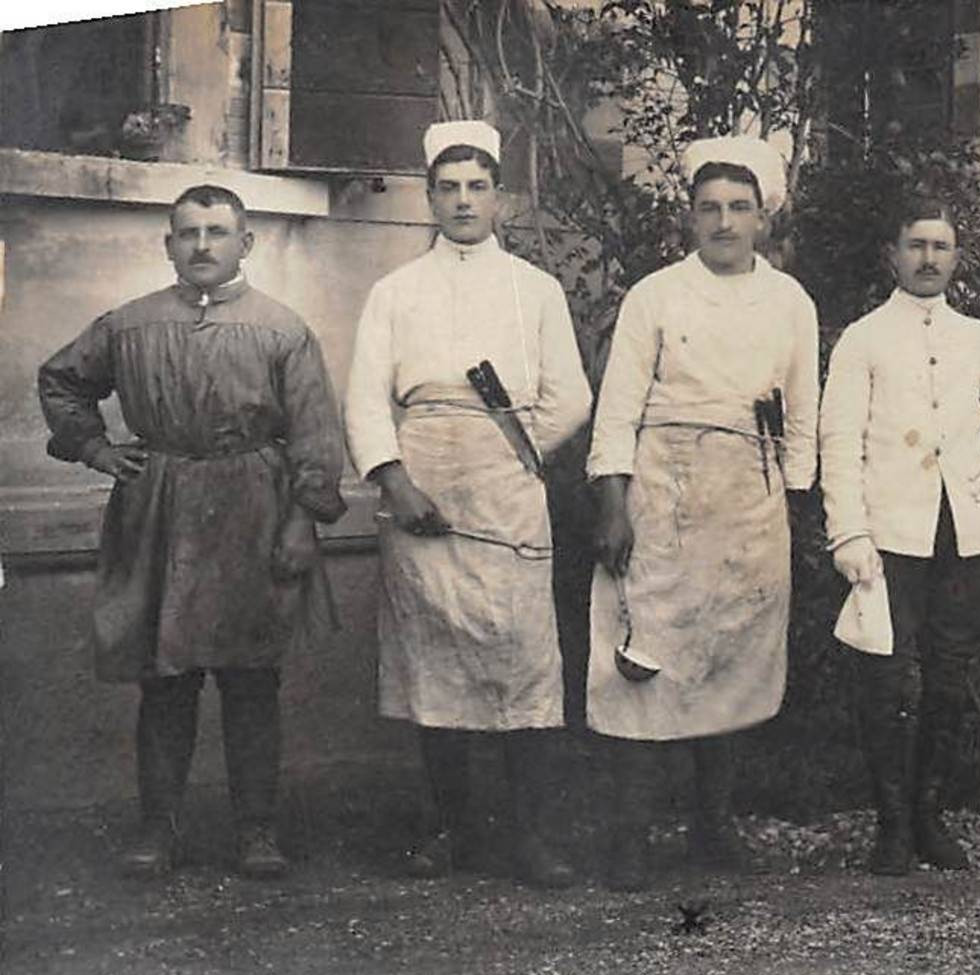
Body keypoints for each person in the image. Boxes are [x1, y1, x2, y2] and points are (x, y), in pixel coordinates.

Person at [37, 184, 348, 879]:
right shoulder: (129, 324)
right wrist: (95, 449)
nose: (202, 245)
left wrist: (302, 522)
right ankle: (157, 830)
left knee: (250, 680)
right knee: (165, 680)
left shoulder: (282, 328)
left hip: (253, 509)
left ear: (246, 242)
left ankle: (257, 831)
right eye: (188, 233)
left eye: (216, 231)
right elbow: (60, 381)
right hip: (161, 508)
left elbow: (314, 434)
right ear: (168, 244)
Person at [345, 120, 593, 886]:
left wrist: (512, 455)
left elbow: (572, 396)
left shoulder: (536, 290)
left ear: (498, 199)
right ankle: (452, 830)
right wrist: (395, 478)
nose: (462, 201)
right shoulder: (395, 293)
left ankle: (529, 839)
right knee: (435, 662)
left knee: (521, 658)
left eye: (477, 187)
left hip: (507, 484)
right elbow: (363, 399)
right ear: (428, 197)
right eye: (447, 187)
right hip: (421, 484)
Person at [585, 135, 819, 891]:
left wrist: (792, 501)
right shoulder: (655, 296)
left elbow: (804, 416)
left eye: (739, 208)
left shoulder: (789, 300)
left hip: (747, 494)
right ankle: (629, 836)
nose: (723, 222)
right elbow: (617, 410)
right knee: (645, 655)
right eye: (709, 208)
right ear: (688, 217)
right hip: (664, 490)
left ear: (762, 219)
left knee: (732, 653)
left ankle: (712, 828)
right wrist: (614, 504)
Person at [819, 197, 980, 875]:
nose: (927, 259)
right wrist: (848, 533)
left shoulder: (976, 336)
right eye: (915, 245)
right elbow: (838, 442)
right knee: (884, 681)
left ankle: (929, 817)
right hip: (889, 533)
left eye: (940, 247)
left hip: (966, 534)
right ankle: (890, 825)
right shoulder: (862, 337)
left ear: (955, 257)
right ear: (891, 255)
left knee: (950, 678)